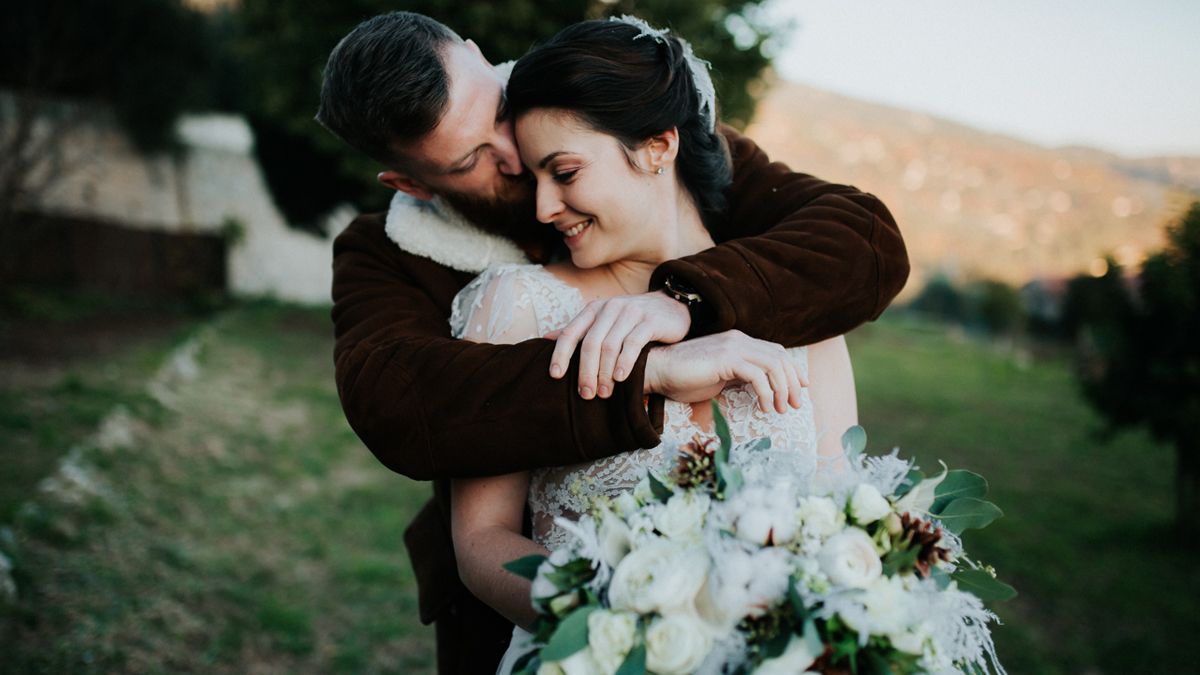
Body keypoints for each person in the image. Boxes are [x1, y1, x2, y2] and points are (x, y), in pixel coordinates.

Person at [316, 11, 908, 675]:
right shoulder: (389, 255)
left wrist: (686, 301)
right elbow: (401, 404)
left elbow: (861, 240)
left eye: (499, 111)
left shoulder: (627, 122)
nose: (511, 155)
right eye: (471, 159)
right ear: (413, 183)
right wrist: (644, 374)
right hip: (524, 619)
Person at [447, 19, 860, 672]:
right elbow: (477, 541)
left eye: (565, 171)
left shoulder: (803, 313)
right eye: (535, 179)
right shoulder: (521, 305)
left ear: (658, 145)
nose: (544, 207)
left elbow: (843, 528)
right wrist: (625, 626)